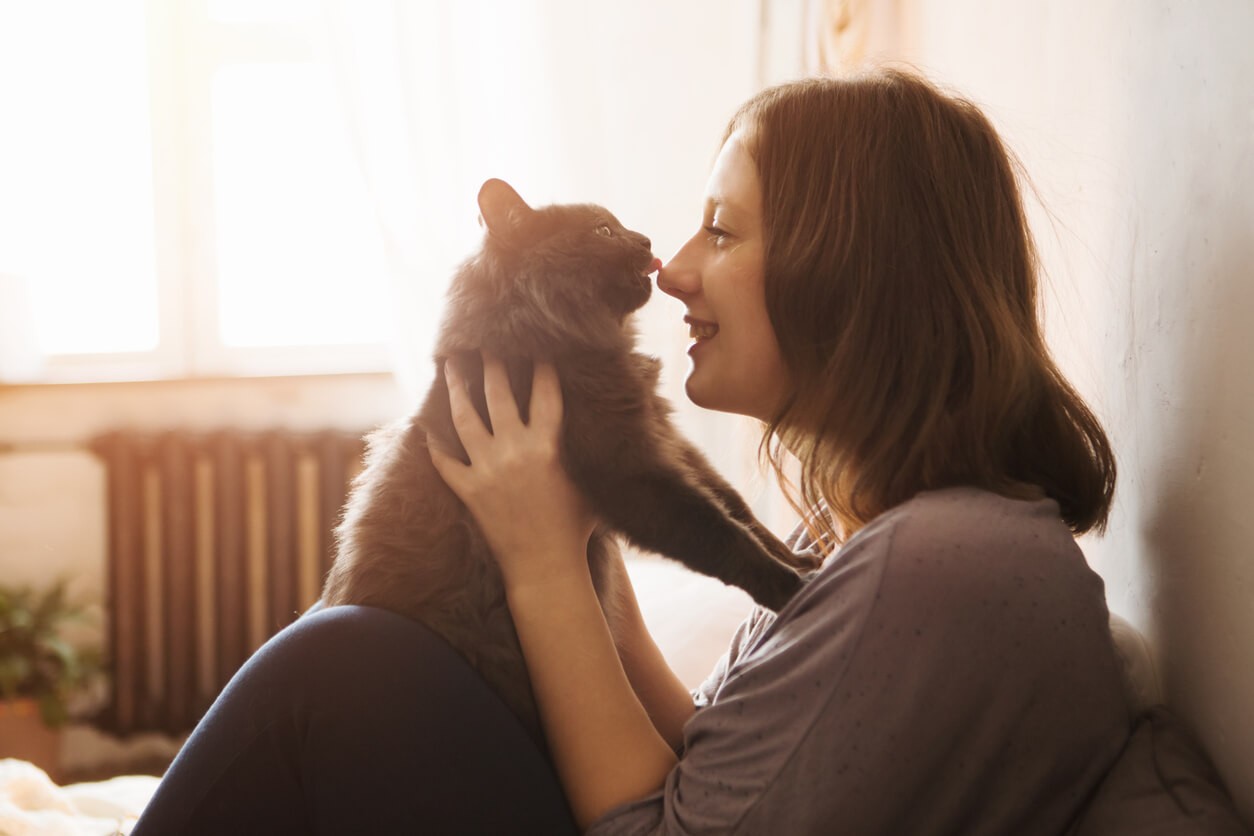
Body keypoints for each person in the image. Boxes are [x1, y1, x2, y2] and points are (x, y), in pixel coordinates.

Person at [133, 68, 1131, 835]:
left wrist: (539, 564)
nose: (676, 267)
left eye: (723, 233)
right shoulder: (889, 539)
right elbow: (720, 751)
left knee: (335, 662)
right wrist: (573, 540)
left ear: (852, 275)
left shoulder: (936, 563)